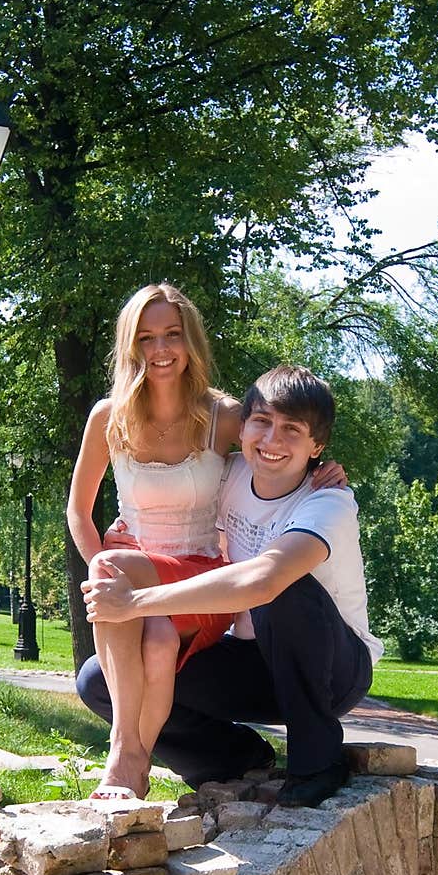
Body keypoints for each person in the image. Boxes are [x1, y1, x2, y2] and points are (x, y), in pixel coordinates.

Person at [67, 285, 345, 801]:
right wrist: (102, 578)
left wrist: (321, 469)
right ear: (131, 346)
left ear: (191, 340)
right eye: (146, 338)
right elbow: (78, 512)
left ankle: (125, 758)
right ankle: (178, 758)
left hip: (201, 574)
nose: (160, 349)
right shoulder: (108, 417)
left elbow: (279, 439)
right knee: (152, 640)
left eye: (172, 334)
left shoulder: (225, 416)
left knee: (134, 601)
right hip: (131, 570)